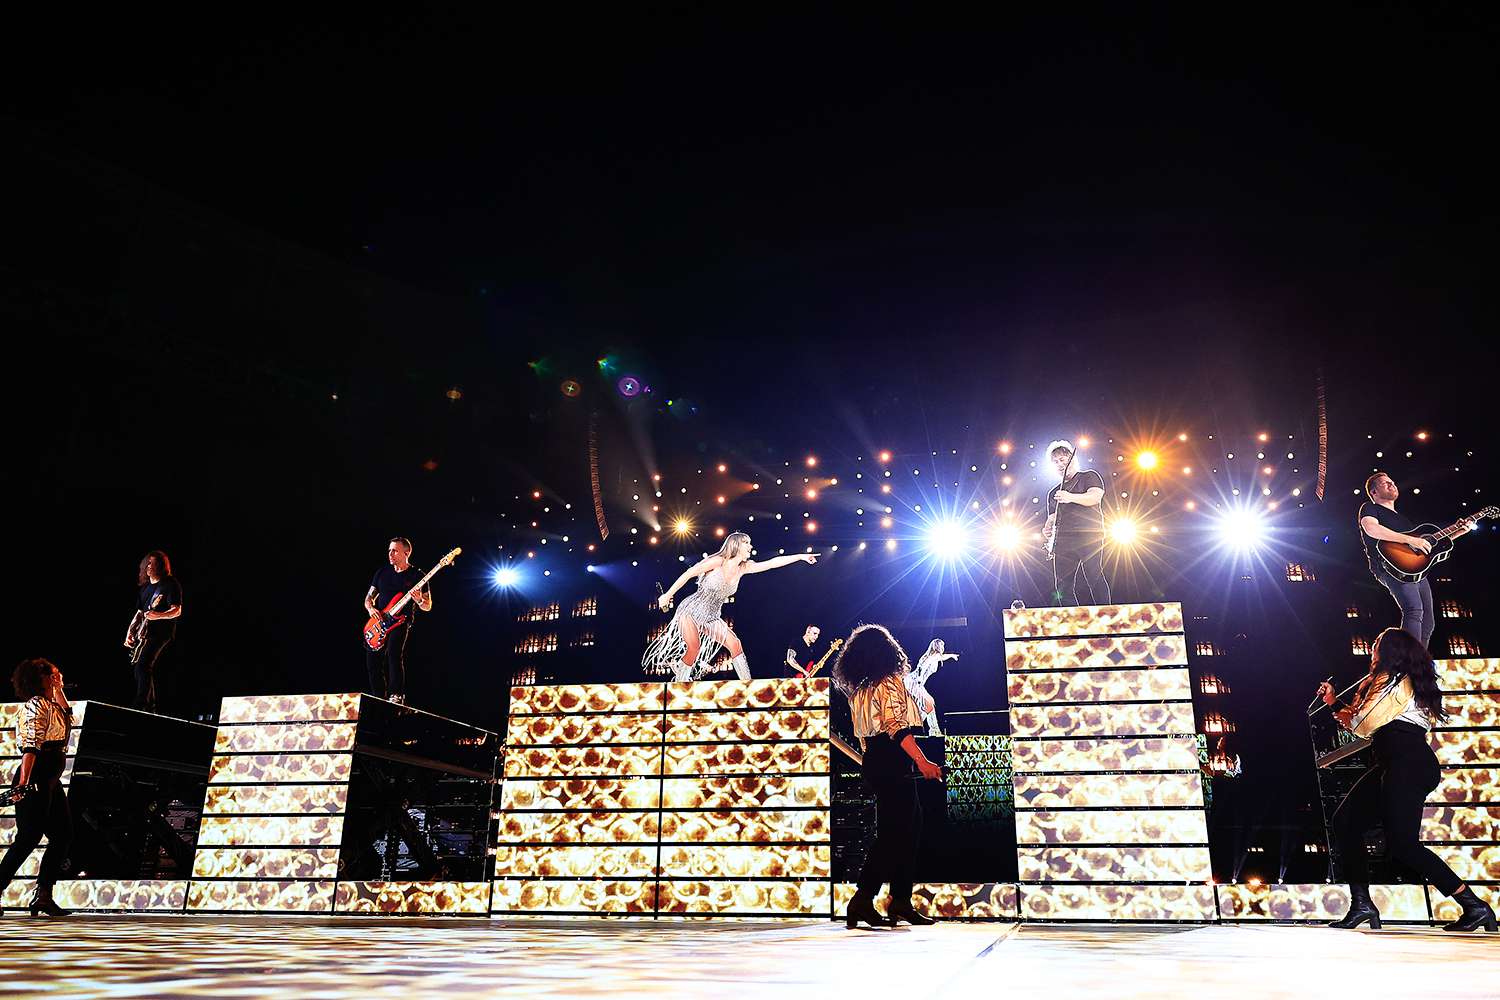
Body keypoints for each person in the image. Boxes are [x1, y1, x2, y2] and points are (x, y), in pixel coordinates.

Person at [1318, 627, 1497, 932]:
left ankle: (1474, 905)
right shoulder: (1399, 681)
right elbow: (1366, 722)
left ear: (1389, 651)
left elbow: (1362, 723)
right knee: (1345, 820)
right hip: (1395, 760)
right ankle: (1362, 904)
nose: (1371, 648)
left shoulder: (1394, 681)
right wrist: (1335, 703)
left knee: (1403, 844)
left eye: (1376, 644)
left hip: (1406, 761)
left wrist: (1350, 706)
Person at [830, 624, 944, 929]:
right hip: (894, 757)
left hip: (875, 760)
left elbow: (864, 736)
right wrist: (922, 761)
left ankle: (897, 901)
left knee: (904, 827)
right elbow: (897, 727)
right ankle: (866, 898)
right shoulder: (889, 681)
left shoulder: (860, 690)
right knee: (899, 831)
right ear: (888, 649)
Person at [644, 533, 817, 682]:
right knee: (694, 647)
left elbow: (772, 563)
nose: (751, 546)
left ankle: (747, 685)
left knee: (735, 644)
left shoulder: (744, 568)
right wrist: (667, 595)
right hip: (691, 611)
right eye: (746, 543)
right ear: (735, 545)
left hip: (712, 617)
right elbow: (689, 573)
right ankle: (680, 682)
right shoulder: (718, 562)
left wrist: (800, 556)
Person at [0, 658, 74, 916]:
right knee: (28, 838)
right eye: (53, 673)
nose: (58, 675)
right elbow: (30, 745)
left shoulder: (52, 704)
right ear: (40, 678)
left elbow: (68, 718)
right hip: (36, 775)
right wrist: (23, 781)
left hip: (51, 779)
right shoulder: (35, 706)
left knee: (63, 834)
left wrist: (60, 689)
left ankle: (43, 894)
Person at [1358, 472, 1437, 649]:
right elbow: (1371, 529)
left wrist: (1460, 530)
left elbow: (1422, 545)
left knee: (1429, 622)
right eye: (1385, 483)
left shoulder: (1403, 520)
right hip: (1389, 567)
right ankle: (1409, 662)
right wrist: (1409, 539)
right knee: (1414, 610)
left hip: (1415, 570)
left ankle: (1419, 665)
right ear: (1374, 492)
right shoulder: (1370, 508)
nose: (1391, 484)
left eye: (1392, 482)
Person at [363, 537, 432, 705]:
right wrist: (371, 609)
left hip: (401, 621)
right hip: (379, 622)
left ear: (406, 553)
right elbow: (368, 599)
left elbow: (428, 605)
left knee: (394, 653)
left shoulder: (418, 575)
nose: (390, 554)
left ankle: (396, 695)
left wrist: (419, 601)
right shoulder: (381, 573)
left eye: (394, 550)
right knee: (372, 660)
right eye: (389, 550)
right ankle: (378, 698)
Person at [1042, 440, 1110, 607]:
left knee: (1093, 575)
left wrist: (1070, 497)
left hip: (1089, 534)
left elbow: (1095, 497)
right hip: (1064, 539)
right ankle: (1072, 621)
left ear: (1072, 459)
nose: (1059, 464)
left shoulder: (1089, 476)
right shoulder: (1053, 492)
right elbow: (1052, 518)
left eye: (1063, 459)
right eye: (1055, 462)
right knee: (1062, 585)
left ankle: (1108, 616)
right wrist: (1047, 528)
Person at [125, 550, 182, 713]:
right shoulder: (145, 589)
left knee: (143, 665)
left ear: (161, 566)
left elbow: (177, 610)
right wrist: (129, 632)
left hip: (161, 633)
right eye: (148, 563)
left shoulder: (170, 584)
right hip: (144, 633)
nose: (149, 566)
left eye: (154, 563)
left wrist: (158, 615)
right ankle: (150, 707)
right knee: (140, 668)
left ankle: (141, 704)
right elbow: (139, 613)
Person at [906, 638, 958, 737]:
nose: (943, 648)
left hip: (914, 682)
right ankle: (932, 730)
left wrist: (951, 655)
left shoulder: (930, 656)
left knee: (927, 705)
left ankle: (915, 727)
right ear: (937, 647)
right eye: (942, 646)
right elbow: (923, 667)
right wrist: (920, 678)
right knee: (929, 703)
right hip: (914, 682)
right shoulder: (934, 656)